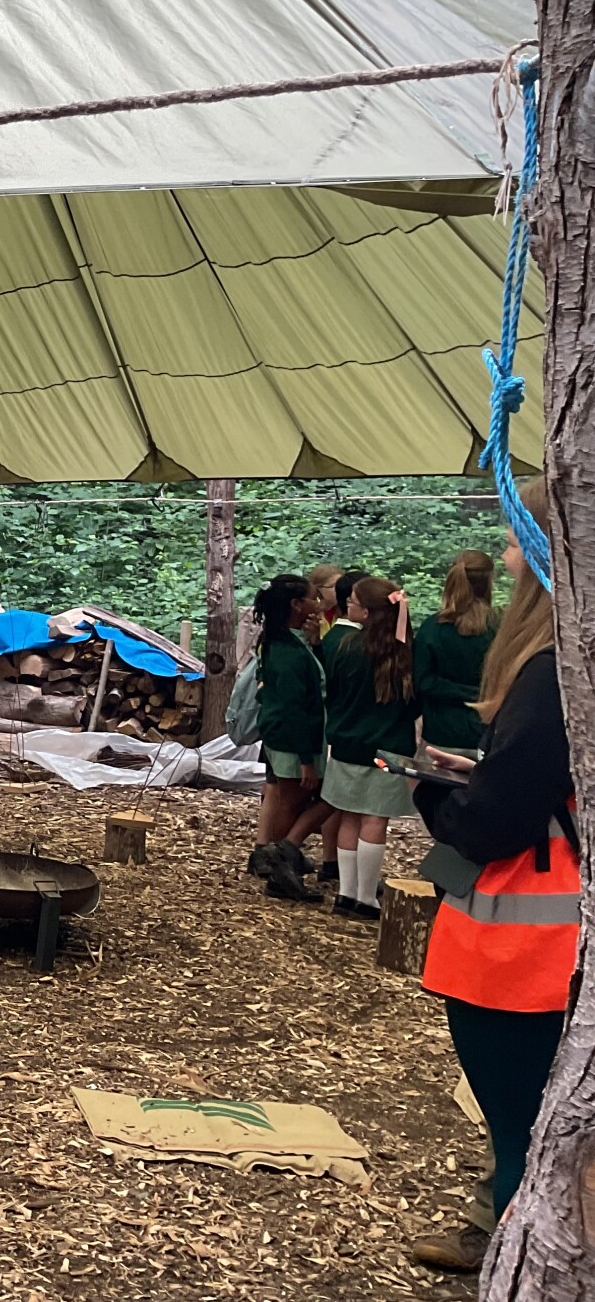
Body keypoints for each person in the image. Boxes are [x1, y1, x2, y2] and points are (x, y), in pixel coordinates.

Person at [408, 480, 573, 1271]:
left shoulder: (550, 669)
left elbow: (498, 820)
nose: (504, 557)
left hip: (526, 951)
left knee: (526, 1137)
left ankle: (521, 1264)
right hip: (542, 938)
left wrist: (435, 797)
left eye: (513, 539)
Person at [319, 575, 419, 918]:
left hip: (347, 745)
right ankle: (366, 898)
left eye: (353, 603)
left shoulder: (344, 647)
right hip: (388, 749)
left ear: (366, 613)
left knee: (349, 815)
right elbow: (414, 703)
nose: (348, 606)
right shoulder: (404, 653)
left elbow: (332, 695)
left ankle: (345, 894)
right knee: (375, 820)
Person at [251, 574, 327, 896]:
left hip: (286, 737)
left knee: (293, 800)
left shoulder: (285, 641)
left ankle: (283, 859)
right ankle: (281, 869)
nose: (318, 604)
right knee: (292, 802)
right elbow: (293, 709)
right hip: (290, 741)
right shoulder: (288, 654)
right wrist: (306, 761)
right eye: (313, 598)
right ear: (297, 605)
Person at [414, 549, 498, 756]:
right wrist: (477, 694)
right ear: (489, 582)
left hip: (441, 737)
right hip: (488, 735)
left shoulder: (432, 628)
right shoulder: (502, 628)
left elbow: (422, 681)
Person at [306, 563, 344, 639]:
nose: (340, 588)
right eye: (333, 586)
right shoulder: (310, 612)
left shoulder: (348, 610)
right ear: (318, 589)